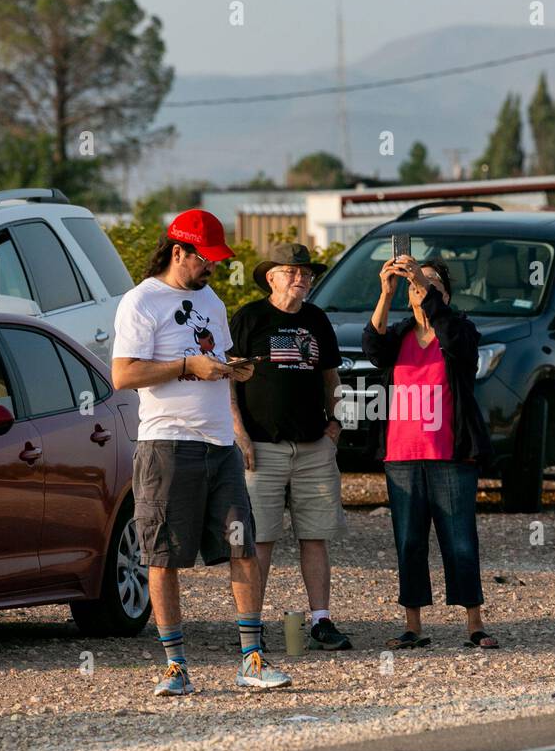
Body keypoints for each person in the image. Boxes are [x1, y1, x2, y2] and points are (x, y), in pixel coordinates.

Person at [111, 209, 293, 696]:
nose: (212, 268)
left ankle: (251, 659)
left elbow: (218, 362)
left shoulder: (211, 299)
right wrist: (186, 365)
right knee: (164, 555)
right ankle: (175, 665)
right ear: (178, 252)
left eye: (215, 259)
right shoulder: (141, 301)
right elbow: (123, 375)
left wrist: (235, 373)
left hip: (220, 445)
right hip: (168, 443)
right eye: (204, 259)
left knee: (243, 549)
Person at [363, 254, 497, 649]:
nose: (422, 287)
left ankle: (474, 623)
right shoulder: (400, 334)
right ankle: (413, 624)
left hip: (450, 455)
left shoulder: (460, 330)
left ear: (447, 295)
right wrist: (386, 293)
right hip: (402, 456)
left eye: (433, 282)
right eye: (417, 283)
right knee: (409, 540)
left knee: (459, 539)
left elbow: (457, 344)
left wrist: (428, 290)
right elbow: (372, 347)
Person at [229, 242, 353, 651]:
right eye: (291, 272)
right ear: (271, 277)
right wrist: (239, 434)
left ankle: (321, 620)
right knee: (259, 538)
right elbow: (227, 380)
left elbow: (330, 376)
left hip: (314, 445)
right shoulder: (249, 317)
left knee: (316, 536)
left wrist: (335, 425)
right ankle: (253, 625)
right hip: (260, 446)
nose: (301, 278)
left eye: (306, 273)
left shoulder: (317, 319)